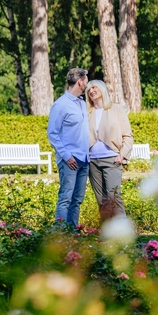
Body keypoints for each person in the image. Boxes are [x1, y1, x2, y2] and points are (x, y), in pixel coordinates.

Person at [85, 79, 133, 219]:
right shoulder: (88, 112)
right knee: (102, 201)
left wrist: (122, 155)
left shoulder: (116, 109)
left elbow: (127, 136)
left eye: (94, 88)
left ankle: (123, 235)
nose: (91, 91)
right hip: (93, 161)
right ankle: (107, 235)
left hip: (112, 159)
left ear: (102, 89)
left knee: (114, 198)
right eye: (89, 90)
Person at [47, 67, 90, 226]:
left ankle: (72, 235)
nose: (87, 84)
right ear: (80, 81)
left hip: (84, 159)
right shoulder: (60, 105)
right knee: (66, 198)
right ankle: (60, 236)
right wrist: (67, 156)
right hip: (69, 160)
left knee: (77, 200)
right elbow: (52, 133)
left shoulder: (83, 104)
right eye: (86, 81)